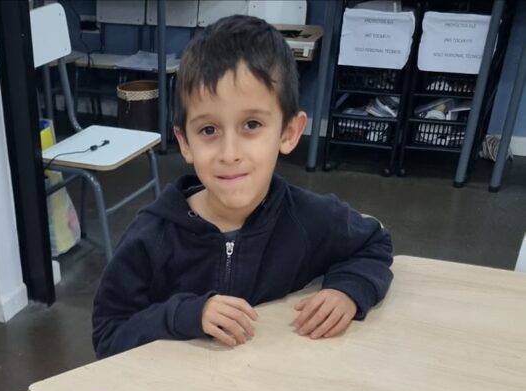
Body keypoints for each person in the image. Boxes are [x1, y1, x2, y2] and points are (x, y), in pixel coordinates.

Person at [92, 15, 393, 359]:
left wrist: (349, 290)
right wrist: (186, 315)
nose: (229, 153)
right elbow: (108, 335)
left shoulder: (308, 217)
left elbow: (374, 244)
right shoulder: (151, 237)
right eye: (208, 130)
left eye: (251, 124)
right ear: (185, 142)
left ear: (289, 133)